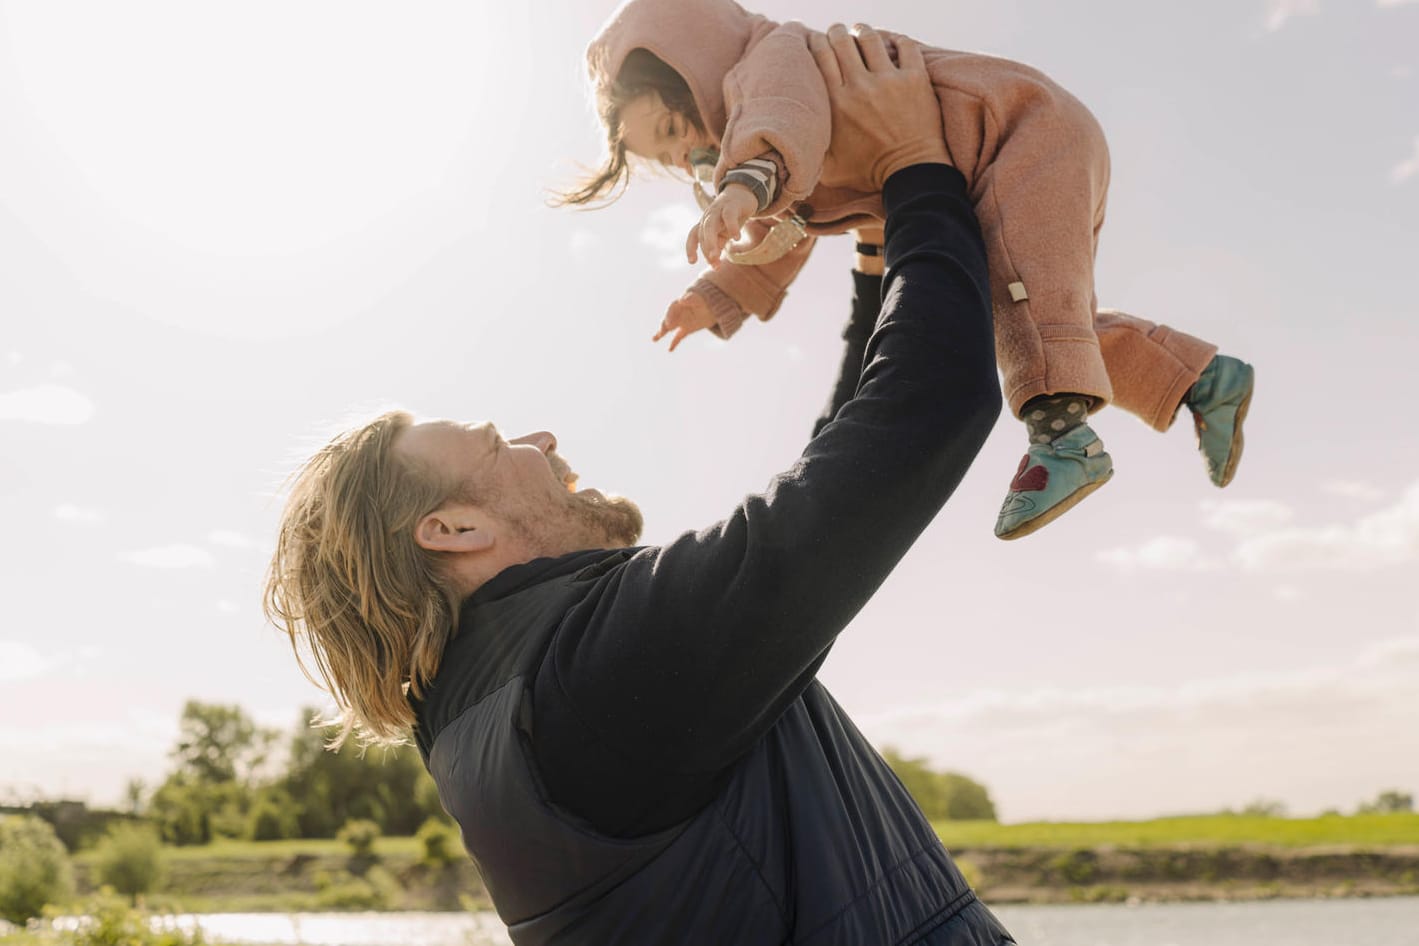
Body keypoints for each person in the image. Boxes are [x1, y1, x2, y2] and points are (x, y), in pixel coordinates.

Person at [266, 26, 1017, 946]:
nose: (542, 440)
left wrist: (873, 259)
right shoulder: (596, 673)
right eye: (500, 442)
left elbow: (834, 478)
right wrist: (913, 168)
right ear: (453, 529)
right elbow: (918, 419)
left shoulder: (496, 712)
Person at [561, 0, 1256, 540]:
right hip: (964, 169)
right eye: (673, 160)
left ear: (691, 68)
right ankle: (1199, 381)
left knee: (1027, 304)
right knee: (1018, 320)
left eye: (675, 132)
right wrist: (716, 294)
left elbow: (781, 128)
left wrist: (740, 190)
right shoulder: (764, 145)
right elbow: (786, 236)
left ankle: (1063, 444)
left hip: (1015, 131)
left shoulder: (771, 61)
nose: (689, 158)